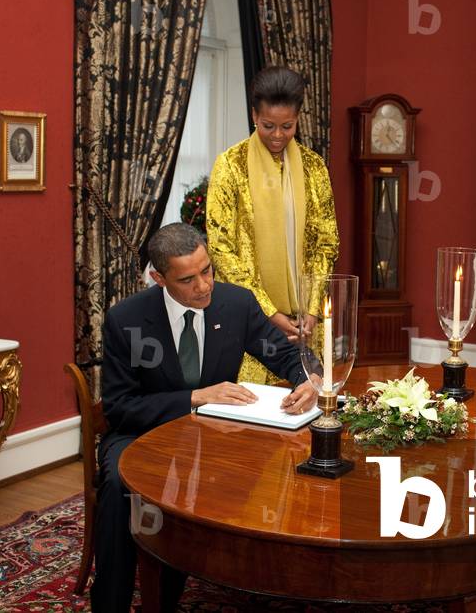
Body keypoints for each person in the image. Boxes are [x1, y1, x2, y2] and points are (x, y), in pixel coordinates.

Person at [92, 223, 318, 612]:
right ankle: (110, 600)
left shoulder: (236, 304)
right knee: (117, 485)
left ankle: (208, 573)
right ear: (159, 278)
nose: (203, 286)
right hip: (143, 433)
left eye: (207, 270)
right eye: (188, 279)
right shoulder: (126, 320)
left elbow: (285, 355)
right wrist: (194, 397)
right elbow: (120, 408)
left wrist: (310, 379)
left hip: (217, 435)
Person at [206, 65, 339, 385]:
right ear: (254, 115)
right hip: (252, 322)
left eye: (287, 126)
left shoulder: (313, 167)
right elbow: (221, 247)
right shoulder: (230, 165)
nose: (278, 135)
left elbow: (327, 239)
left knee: (308, 407)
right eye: (268, 125)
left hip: (305, 323)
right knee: (251, 418)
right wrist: (268, 312)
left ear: (298, 120)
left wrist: (310, 309)